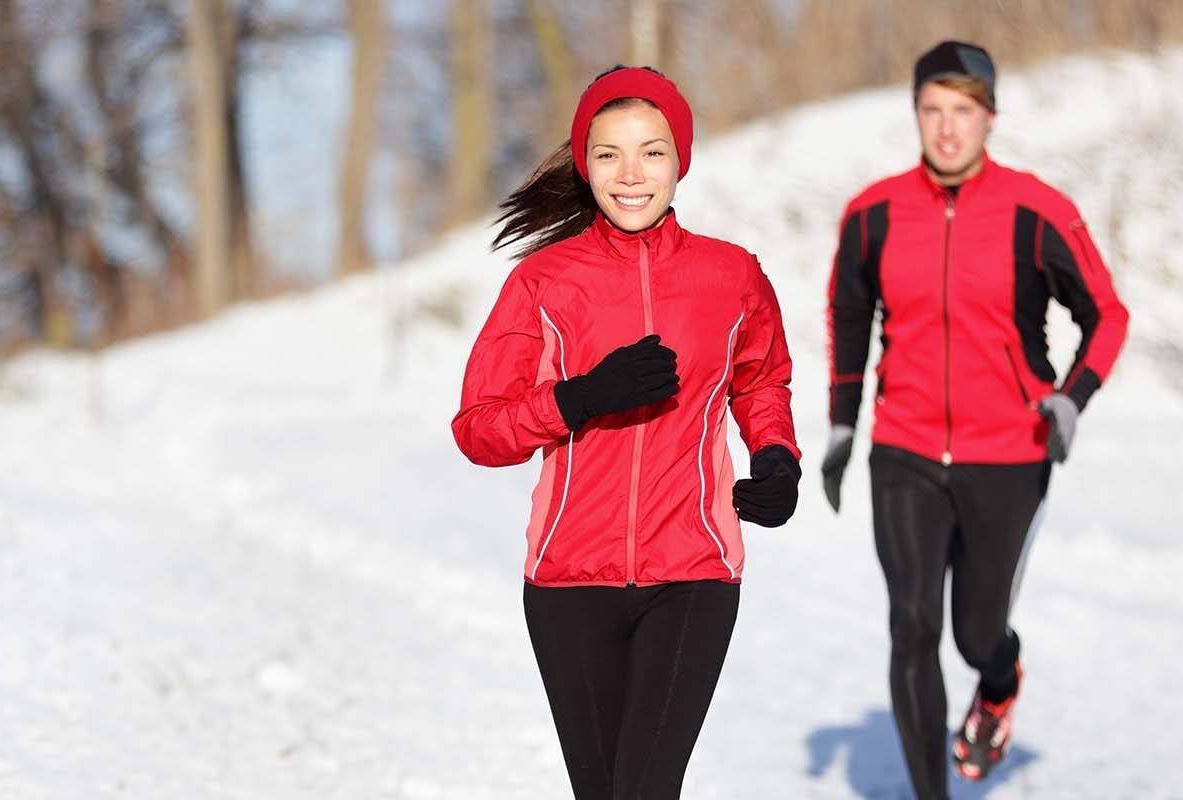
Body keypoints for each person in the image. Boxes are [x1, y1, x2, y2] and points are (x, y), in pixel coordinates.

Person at [451, 65, 800, 799]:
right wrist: (578, 399)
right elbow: (480, 429)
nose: (631, 174)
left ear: (681, 161)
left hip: (694, 572)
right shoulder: (544, 282)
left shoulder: (731, 275)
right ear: (586, 164)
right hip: (568, 581)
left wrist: (777, 457)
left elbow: (760, 378)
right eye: (609, 154)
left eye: (652, 151)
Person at [820, 41, 1131, 798]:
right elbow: (850, 318)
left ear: (990, 116)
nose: (947, 128)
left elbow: (1107, 314)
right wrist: (840, 427)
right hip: (906, 449)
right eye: (932, 110)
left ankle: (996, 685)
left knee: (974, 634)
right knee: (913, 626)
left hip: (1010, 452)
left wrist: (1071, 398)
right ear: (916, 115)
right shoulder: (873, 216)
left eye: (963, 111)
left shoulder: (1038, 212)